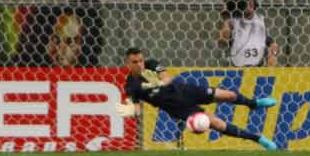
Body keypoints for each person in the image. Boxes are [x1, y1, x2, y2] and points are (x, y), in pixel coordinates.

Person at [115, 48, 279, 150]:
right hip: (178, 108)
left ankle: (254, 104)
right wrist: (131, 110)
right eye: (134, 62)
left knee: (228, 95)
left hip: (185, 91)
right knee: (217, 124)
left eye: (141, 60)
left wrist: (158, 82)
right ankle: (259, 139)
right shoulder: (131, 85)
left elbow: (167, 78)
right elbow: (135, 106)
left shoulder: (151, 64)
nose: (139, 64)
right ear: (128, 65)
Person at [219, 0, 279, 67]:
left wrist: (272, 55)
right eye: (245, 0)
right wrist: (226, 17)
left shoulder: (260, 22)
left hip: (257, 68)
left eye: (252, 0)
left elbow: (273, 44)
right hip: (237, 69)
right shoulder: (233, 21)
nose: (249, 3)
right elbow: (222, 40)